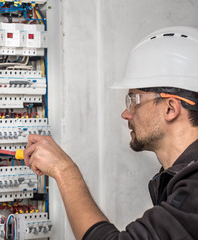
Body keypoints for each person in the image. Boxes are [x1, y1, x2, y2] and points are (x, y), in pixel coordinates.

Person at [24, 26, 198, 240]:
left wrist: (64, 170)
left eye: (133, 100)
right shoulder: (181, 180)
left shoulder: (194, 192)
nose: (126, 114)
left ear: (170, 108)